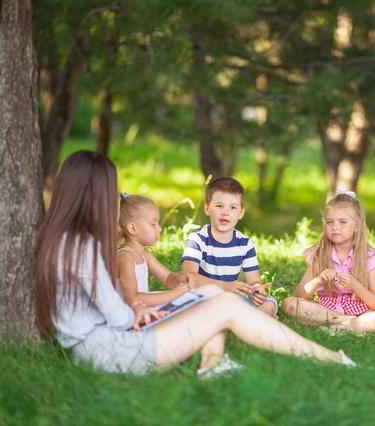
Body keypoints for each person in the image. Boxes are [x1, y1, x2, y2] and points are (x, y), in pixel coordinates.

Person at [34, 151, 355, 375]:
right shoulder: (81, 246)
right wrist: (159, 307)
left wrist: (165, 305)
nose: (115, 198)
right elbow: (119, 317)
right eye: (110, 189)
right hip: (112, 351)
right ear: (95, 194)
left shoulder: (67, 238)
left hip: (109, 339)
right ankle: (333, 359)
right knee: (226, 306)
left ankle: (212, 365)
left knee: (215, 297)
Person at [116, 193, 234, 375]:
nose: (159, 229)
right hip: (135, 316)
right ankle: (205, 357)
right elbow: (132, 298)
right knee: (197, 306)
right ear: (132, 228)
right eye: (153, 224)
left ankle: (211, 356)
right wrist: (174, 295)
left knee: (204, 298)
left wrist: (180, 280)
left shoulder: (144, 255)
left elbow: (168, 278)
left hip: (146, 306)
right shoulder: (125, 256)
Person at [281, 191, 375, 334]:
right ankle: (348, 323)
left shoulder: (368, 256)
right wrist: (318, 280)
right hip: (327, 310)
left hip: (362, 311)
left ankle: (340, 326)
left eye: (342, 222)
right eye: (330, 222)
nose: (335, 227)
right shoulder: (319, 253)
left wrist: (355, 286)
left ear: (357, 225)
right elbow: (300, 295)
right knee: (289, 304)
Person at [181, 177, 277, 316]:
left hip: (230, 298)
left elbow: (254, 280)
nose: (225, 212)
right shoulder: (198, 239)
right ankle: (233, 320)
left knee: (269, 304)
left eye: (233, 207)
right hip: (201, 298)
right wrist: (225, 286)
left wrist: (256, 291)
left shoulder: (244, 243)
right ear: (207, 208)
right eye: (219, 206)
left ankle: (231, 319)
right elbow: (189, 275)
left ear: (241, 213)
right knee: (192, 307)